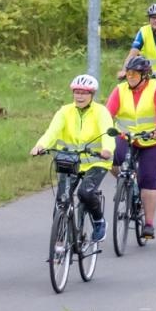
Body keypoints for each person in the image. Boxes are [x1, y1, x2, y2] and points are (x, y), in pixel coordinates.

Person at [30, 74, 114, 241]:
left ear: (92, 95)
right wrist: (40, 146)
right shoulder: (65, 111)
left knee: (86, 192)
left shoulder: (101, 112)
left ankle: (98, 221)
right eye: (77, 92)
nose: (80, 96)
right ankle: (60, 243)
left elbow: (107, 133)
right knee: (62, 200)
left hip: (96, 162)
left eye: (84, 93)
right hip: (70, 162)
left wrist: (107, 149)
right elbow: (52, 132)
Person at [106, 58, 156, 241]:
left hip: (153, 141)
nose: (130, 76)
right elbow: (108, 112)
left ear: (145, 75)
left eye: (134, 73)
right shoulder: (120, 90)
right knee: (110, 158)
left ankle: (148, 224)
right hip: (126, 137)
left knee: (148, 181)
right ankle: (126, 181)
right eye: (128, 73)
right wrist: (102, 127)